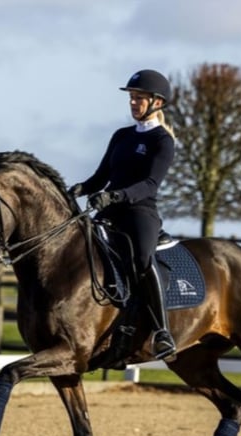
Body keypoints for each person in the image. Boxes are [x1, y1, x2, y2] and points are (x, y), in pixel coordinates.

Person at [70, 69, 177, 361]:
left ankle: (162, 331)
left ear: (157, 103)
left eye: (139, 98)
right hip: (109, 211)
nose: (133, 103)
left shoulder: (162, 141)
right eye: (131, 98)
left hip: (140, 212)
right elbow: (101, 177)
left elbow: (149, 185)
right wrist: (76, 189)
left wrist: (116, 195)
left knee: (143, 259)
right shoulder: (121, 136)